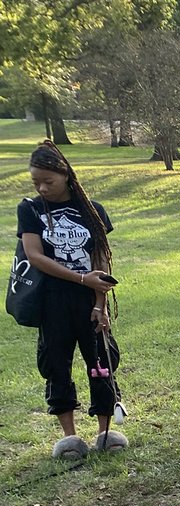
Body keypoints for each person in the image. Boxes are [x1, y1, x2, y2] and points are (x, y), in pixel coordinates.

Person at [18, 141, 125, 460]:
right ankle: (70, 438)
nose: (42, 187)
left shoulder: (91, 210)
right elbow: (34, 255)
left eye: (48, 181)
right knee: (56, 365)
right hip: (51, 302)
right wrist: (80, 278)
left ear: (66, 176)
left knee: (102, 363)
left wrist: (100, 304)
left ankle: (106, 432)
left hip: (89, 300)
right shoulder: (30, 209)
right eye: (36, 181)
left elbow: (100, 258)